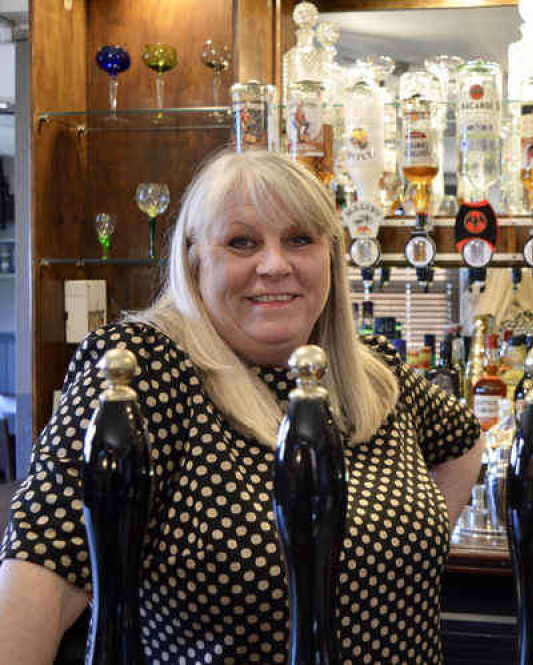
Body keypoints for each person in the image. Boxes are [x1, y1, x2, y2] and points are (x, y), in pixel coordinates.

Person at [0, 150, 484, 665]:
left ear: (330, 255)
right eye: (242, 242)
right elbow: (40, 571)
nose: (274, 265)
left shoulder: (372, 373)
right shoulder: (143, 368)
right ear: (194, 258)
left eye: (299, 240)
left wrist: (403, 538)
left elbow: (463, 444)